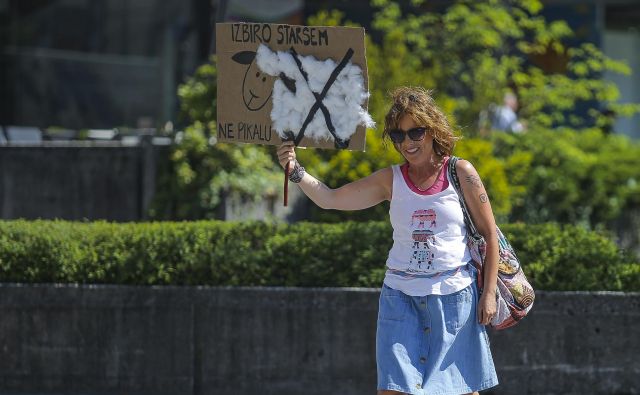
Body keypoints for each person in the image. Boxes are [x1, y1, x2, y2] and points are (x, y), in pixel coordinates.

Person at [277, 86, 499, 395]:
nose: (407, 142)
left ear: (433, 129)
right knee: (393, 390)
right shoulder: (389, 179)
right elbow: (330, 199)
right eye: (398, 136)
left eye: (416, 132)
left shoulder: (460, 172)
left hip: (454, 296)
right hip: (400, 297)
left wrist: (488, 294)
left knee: (461, 391)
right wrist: (296, 171)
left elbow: (490, 235)